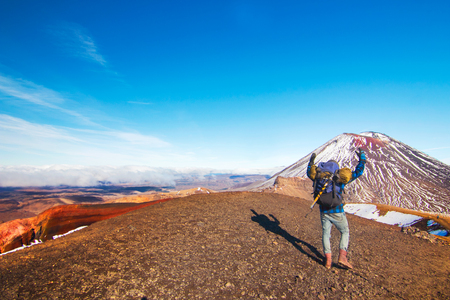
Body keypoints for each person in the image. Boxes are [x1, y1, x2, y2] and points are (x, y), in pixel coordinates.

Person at [307, 149, 366, 269]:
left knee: (325, 233)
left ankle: (328, 260)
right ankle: (342, 257)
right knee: (344, 231)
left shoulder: (319, 176)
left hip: (323, 210)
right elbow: (358, 172)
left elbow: (309, 172)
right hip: (337, 211)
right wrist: (362, 159)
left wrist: (311, 161)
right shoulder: (339, 178)